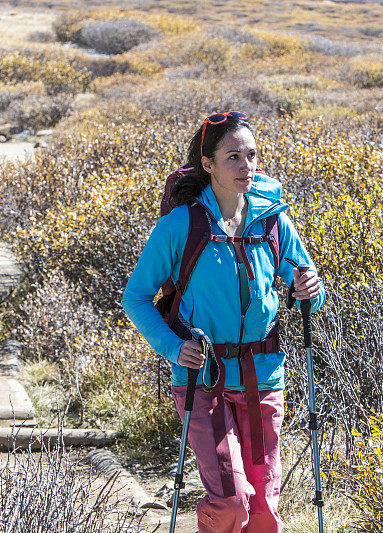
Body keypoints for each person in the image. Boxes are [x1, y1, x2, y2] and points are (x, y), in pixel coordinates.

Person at [121, 111, 324, 532]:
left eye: (251, 155)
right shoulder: (181, 226)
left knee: (265, 508)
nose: (246, 166)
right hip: (203, 379)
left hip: (263, 377)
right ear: (207, 163)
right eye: (233, 156)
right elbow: (136, 297)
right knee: (232, 503)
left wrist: (309, 289)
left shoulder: (272, 220)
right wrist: (174, 348)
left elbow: (308, 287)